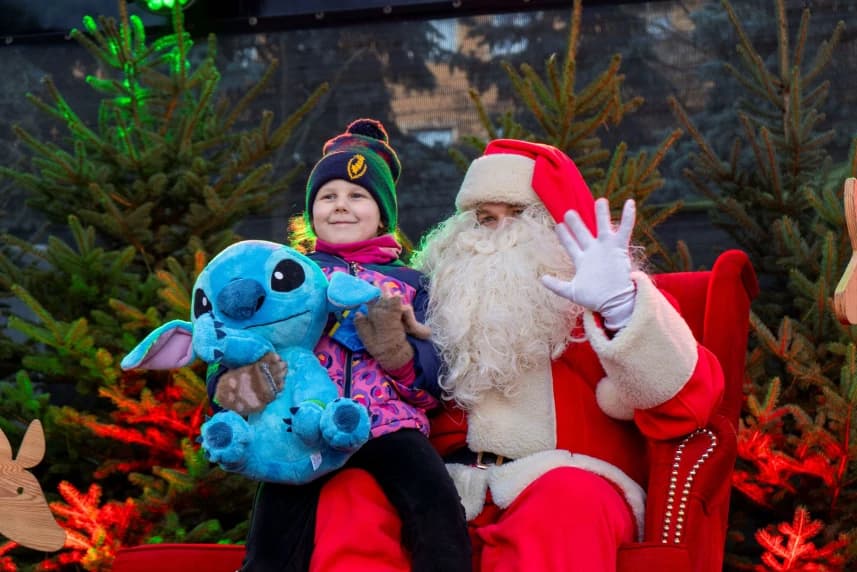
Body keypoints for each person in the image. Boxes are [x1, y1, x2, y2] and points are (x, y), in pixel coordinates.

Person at [309, 138, 726, 571]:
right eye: (485, 219)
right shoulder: (432, 298)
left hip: (561, 478)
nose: (498, 236)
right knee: (353, 491)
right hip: (446, 485)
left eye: (519, 216)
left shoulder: (604, 298)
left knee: (567, 502)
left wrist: (621, 305)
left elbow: (688, 401)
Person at [207, 118, 471, 572]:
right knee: (272, 538)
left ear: (382, 213)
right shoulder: (286, 276)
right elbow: (234, 336)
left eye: (357, 196)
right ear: (311, 213)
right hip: (299, 423)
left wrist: (397, 353)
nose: (340, 206)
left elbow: (433, 381)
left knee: (436, 506)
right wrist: (230, 384)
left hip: (388, 425)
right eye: (327, 196)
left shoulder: (410, 284)